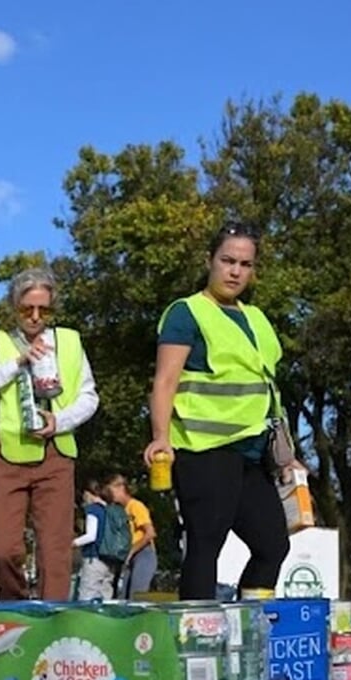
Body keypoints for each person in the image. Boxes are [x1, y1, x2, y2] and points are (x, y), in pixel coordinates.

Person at [144, 222, 296, 601]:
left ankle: (251, 623)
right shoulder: (187, 313)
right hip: (203, 448)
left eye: (245, 264)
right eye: (228, 261)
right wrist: (160, 436)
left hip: (253, 452)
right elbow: (164, 381)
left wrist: (288, 453)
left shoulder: (257, 319)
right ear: (209, 261)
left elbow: (267, 388)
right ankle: (195, 637)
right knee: (205, 543)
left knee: (273, 544)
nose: (235, 271)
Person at [0, 266, 99, 601]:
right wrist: (17, 363)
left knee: (55, 551)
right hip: (6, 454)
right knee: (2, 549)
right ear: (15, 308)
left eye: (44, 309)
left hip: (56, 454)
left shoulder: (69, 341)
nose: (36, 317)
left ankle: (54, 622)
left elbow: (89, 396)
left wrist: (60, 421)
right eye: (27, 309)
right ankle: (16, 603)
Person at [71, 476, 129, 601]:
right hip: (110, 560)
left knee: (87, 594)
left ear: (88, 493)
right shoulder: (111, 510)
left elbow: (91, 536)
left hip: (94, 558)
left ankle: (86, 620)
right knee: (106, 594)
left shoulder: (93, 510)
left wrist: (74, 543)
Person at [111, 474, 157, 599]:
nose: (111, 495)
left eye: (112, 490)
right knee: (123, 595)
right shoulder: (120, 510)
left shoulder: (136, 506)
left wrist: (132, 550)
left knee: (136, 595)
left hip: (143, 553)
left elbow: (150, 533)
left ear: (121, 488)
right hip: (129, 555)